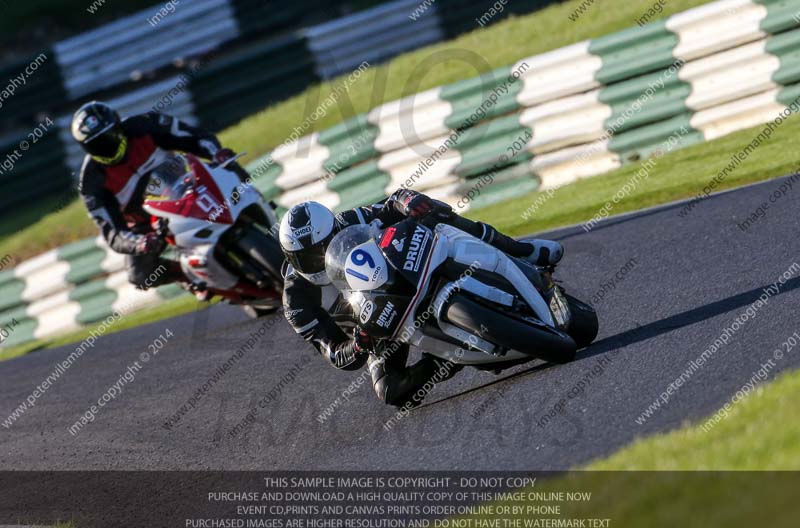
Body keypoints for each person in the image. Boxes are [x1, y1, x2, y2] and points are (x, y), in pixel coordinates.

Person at [279, 188, 564, 407]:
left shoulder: (347, 221)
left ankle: (521, 251)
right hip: (374, 324)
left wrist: (409, 201)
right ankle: (449, 357)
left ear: (334, 230)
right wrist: (357, 345)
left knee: (431, 212)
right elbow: (333, 352)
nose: (319, 259)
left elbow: (391, 203)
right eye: (307, 256)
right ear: (290, 258)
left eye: (324, 246)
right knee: (390, 390)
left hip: (401, 271)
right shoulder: (296, 301)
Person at [72, 101, 247, 294]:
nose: (106, 146)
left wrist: (216, 154)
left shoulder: (145, 125)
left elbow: (194, 137)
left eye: (109, 137)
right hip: (148, 224)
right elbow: (113, 232)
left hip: (186, 188)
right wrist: (140, 243)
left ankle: (258, 210)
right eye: (97, 144)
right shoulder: (91, 183)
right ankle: (191, 277)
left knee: (230, 167)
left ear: (119, 126)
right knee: (140, 275)